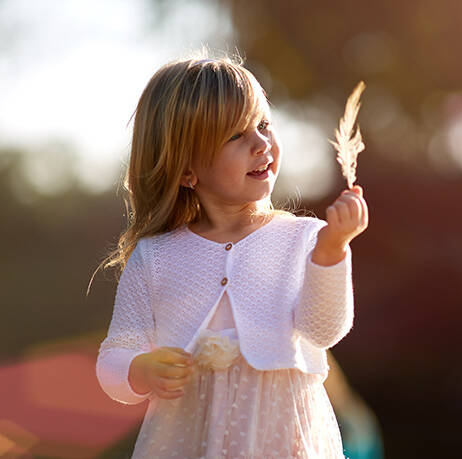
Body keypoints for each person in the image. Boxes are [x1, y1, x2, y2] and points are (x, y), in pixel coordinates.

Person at [94, 52, 368, 459]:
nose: (261, 144)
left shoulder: (303, 239)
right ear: (187, 171)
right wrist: (139, 370)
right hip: (187, 440)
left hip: (282, 439)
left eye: (262, 125)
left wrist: (333, 250)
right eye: (235, 136)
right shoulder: (156, 257)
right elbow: (115, 354)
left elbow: (322, 331)